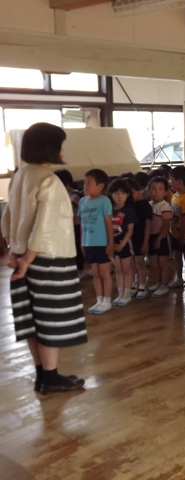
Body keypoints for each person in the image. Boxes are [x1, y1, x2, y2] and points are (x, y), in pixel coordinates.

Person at [4, 122, 87, 394]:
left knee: (32, 319)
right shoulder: (48, 180)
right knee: (51, 320)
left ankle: (42, 375)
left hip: (24, 256)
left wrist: (15, 252)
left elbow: (8, 217)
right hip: (49, 259)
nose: (62, 150)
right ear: (50, 147)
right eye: (60, 145)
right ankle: (50, 377)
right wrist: (28, 258)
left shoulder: (20, 176)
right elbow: (45, 226)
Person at [78, 168, 114, 314]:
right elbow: (82, 223)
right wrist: (82, 242)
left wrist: (110, 243)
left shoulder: (104, 201)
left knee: (104, 273)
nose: (85, 186)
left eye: (89, 183)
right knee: (96, 274)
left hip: (101, 243)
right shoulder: (82, 201)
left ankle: (107, 300)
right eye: (84, 183)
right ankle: (99, 300)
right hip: (89, 243)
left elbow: (108, 224)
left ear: (100, 186)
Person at [108, 179, 137, 307]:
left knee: (126, 269)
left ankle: (127, 293)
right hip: (113, 243)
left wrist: (122, 244)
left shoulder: (128, 211)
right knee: (118, 269)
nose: (119, 197)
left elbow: (130, 231)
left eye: (122, 193)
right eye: (116, 193)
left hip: (125, 243)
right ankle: (120, 293)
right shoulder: (109, 209)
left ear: (128, 195)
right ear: (111, 194)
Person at [126, 179, 152, 300]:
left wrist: (145, 241)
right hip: (131, 238)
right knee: (132, 263)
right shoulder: (131, 204)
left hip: (140, 237)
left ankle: (142, 285)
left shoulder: (145, 205)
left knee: (140, 263)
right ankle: (135, 282)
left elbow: (148, 224)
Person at [147, 176, 172, 297]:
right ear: (149, 190)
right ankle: (159, 282)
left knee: (163, 262)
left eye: (160, 189)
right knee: (153, 262)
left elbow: (166, 225)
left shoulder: (164, 206)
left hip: (162, 237)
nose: (156, 192)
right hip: (151, 236)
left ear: (165, 192)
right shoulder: (149, 205)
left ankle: (164, 285)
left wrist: (159, 238)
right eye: (153, 189)